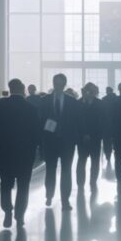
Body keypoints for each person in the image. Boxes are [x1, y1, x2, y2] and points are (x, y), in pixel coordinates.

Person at [0, 78, 41, 228]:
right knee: (23, 186)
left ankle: (7, 212)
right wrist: (37, 149)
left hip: (5, 153)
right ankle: (20, 214)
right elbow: (36, 133)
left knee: (5, 185)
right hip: (25, 154)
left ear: (10, 89)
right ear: (23, 88)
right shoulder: (31, 108)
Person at [38, 73, 81, 210]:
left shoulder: (72, 102)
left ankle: (65, 201)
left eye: (61, 83)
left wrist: (75, 139)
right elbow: (40, 121)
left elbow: (76, 122)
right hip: (50, 141)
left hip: (67, 142)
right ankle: (49, 196)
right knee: (50, 170)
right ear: (53, 83)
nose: (58, 86)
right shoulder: (44, 101)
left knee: (66, 171)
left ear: (64, 84)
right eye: (56, 83)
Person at [76, 83, 103, 191]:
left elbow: (102, 121)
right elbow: (75, 122)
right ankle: (80, 183)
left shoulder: (100, 104)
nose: (90, 93)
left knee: (95, 161)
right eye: (88, 91)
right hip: (81, 138)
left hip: (95, 138)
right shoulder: (77, 104)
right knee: (81, 160)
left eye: (92, 91)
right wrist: (81, 135)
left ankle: (93, 181)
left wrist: (95, 135)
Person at [100, 86, 117, 163]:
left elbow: (101, 113)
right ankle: (116, 154)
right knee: (115, 140)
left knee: (106, 141)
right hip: (115, 124)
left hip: (105, 124)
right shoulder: (117, 99)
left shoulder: (103, 100)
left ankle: (108, 155)